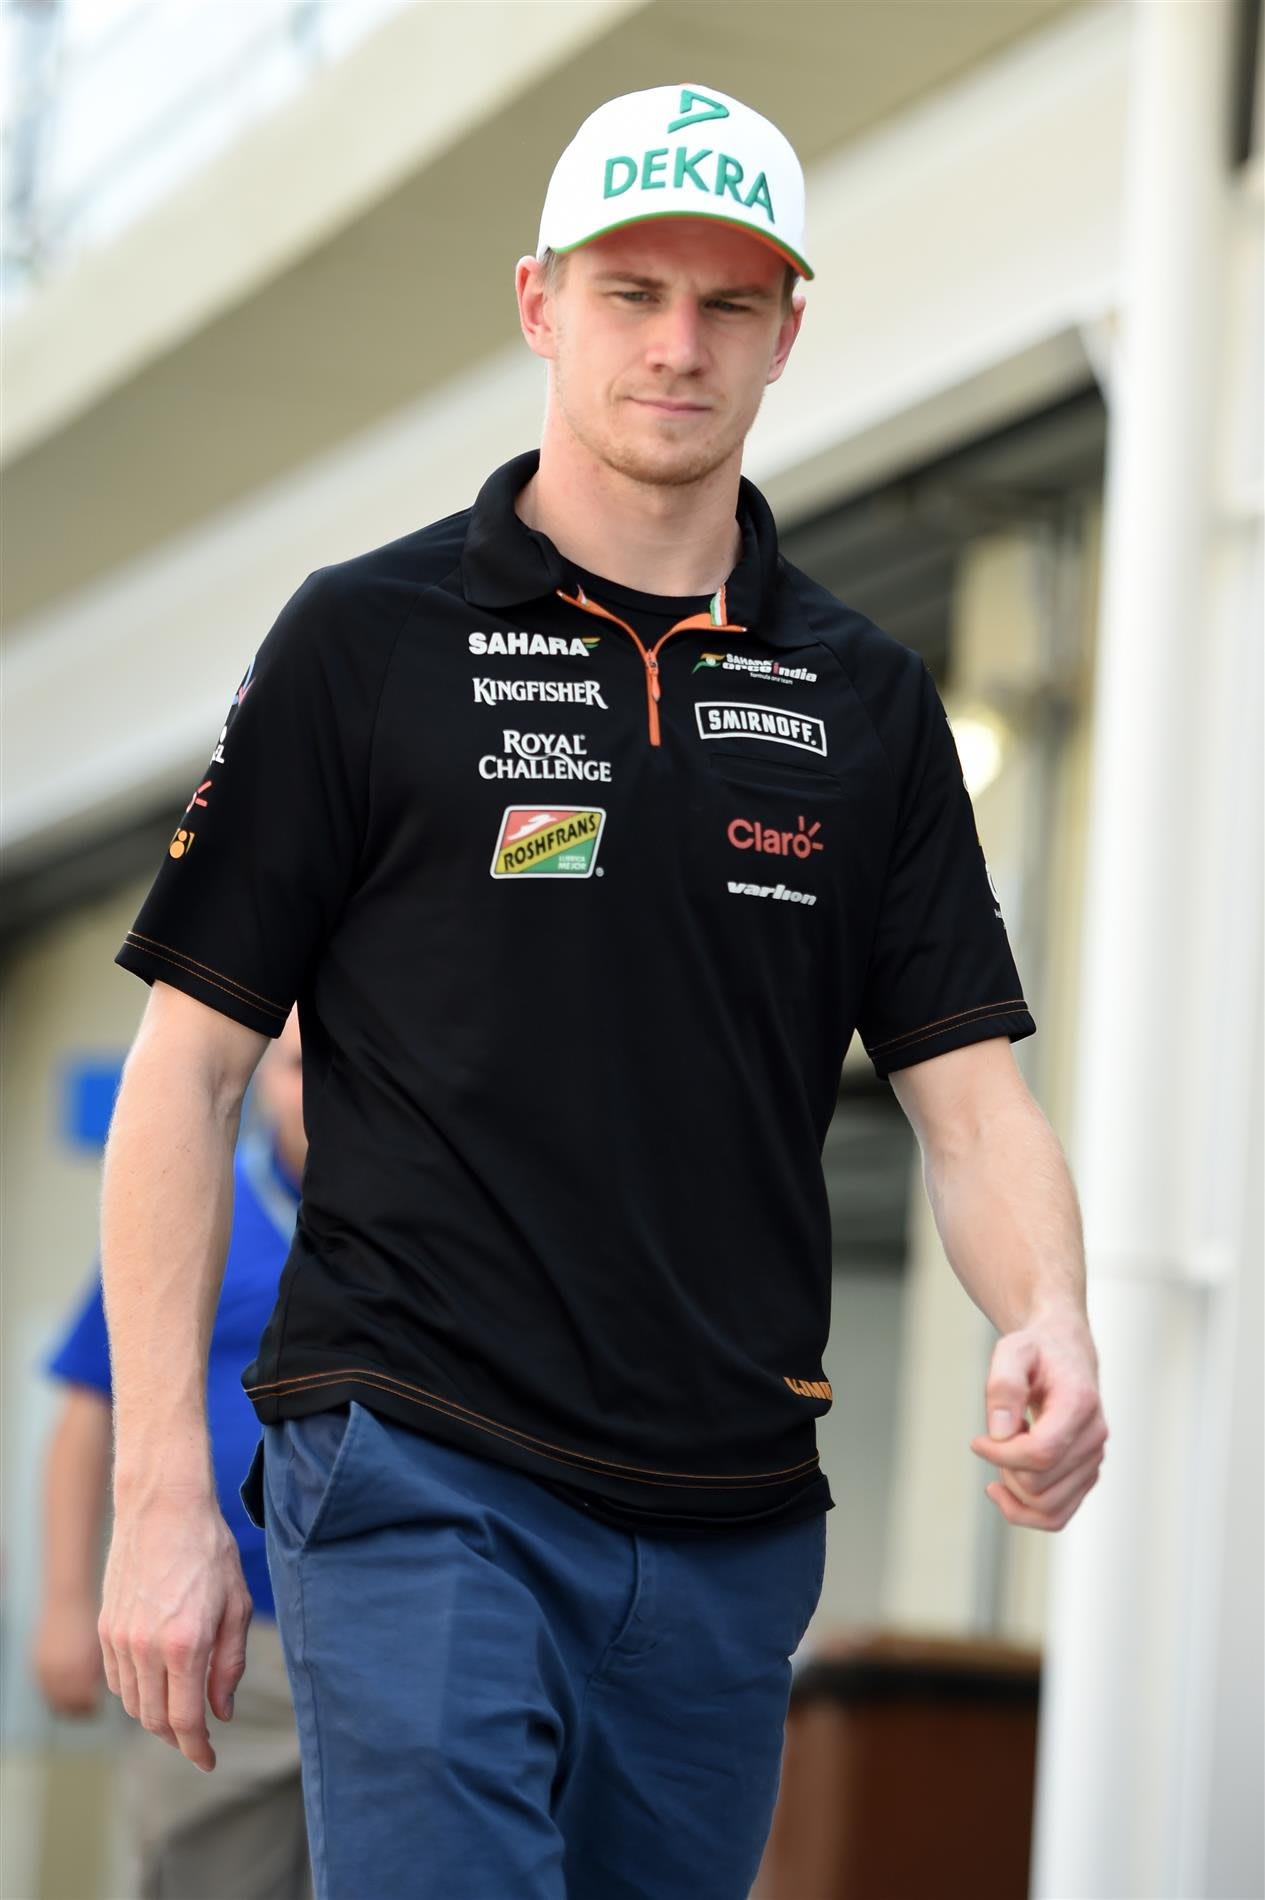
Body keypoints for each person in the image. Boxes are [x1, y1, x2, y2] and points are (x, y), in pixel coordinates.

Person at [95, 82, 1108, 1900]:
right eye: (632, 290)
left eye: (730, 304)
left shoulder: (866, 707)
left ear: (790, 331)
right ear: (537, 302)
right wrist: (162, 1493)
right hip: (418, 1466)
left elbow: (975, 1100)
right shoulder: (364, 643)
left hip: (728, 1519)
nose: (678, 344)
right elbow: (181, 1080)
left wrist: (1053, 1314)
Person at [35, 1016, 312, 1900]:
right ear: (265, 1078)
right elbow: (85, 1416)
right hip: (231, 1646)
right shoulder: (196, 1200)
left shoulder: (415, 1228)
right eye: (302, 1067)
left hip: (387, 1631)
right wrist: (68, 1604)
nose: (318, 1094)